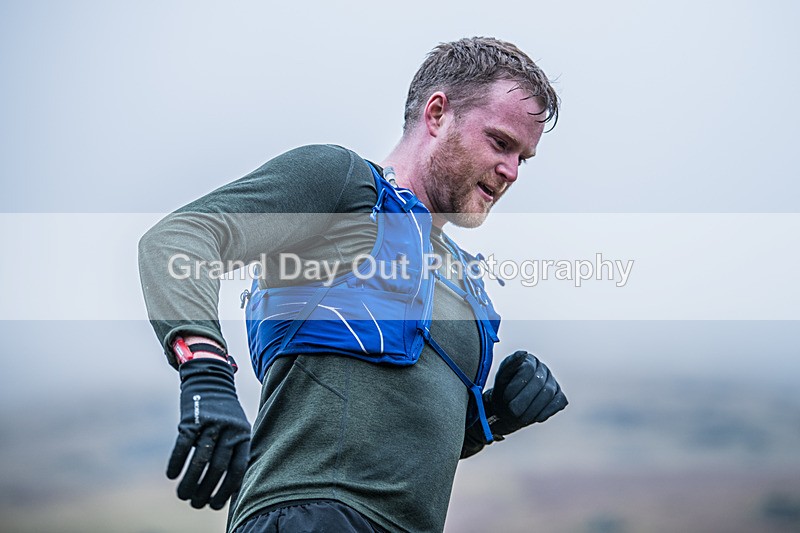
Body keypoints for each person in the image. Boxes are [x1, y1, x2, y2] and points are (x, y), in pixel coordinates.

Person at [138, 36, 568, 533]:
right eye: (500, 143)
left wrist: (493, 418)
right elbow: (177, 241)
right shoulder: (346, 186)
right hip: (307, 515)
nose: (511, 171)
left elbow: (397, 439)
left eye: (523, 158)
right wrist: (206, 373)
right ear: (436, 114)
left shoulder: (463, 278)